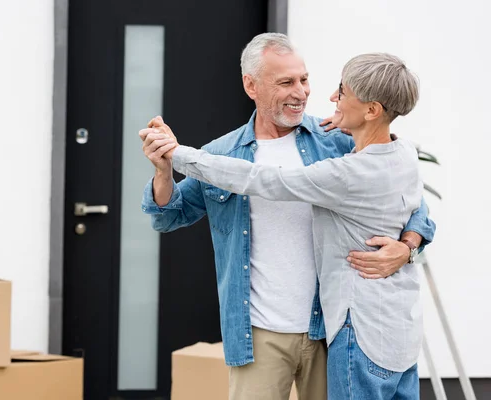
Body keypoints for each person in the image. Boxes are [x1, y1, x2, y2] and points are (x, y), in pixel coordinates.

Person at [140, 34, 435, 400]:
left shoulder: (336, 139)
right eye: (286, 82)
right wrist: (165, 169)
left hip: (330, 328)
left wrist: (407, 247)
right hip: (259, 333)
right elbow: (168, 216)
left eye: (304, 79)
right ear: (251, 85)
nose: (302, 92)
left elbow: (411, 203)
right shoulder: (222, 154)